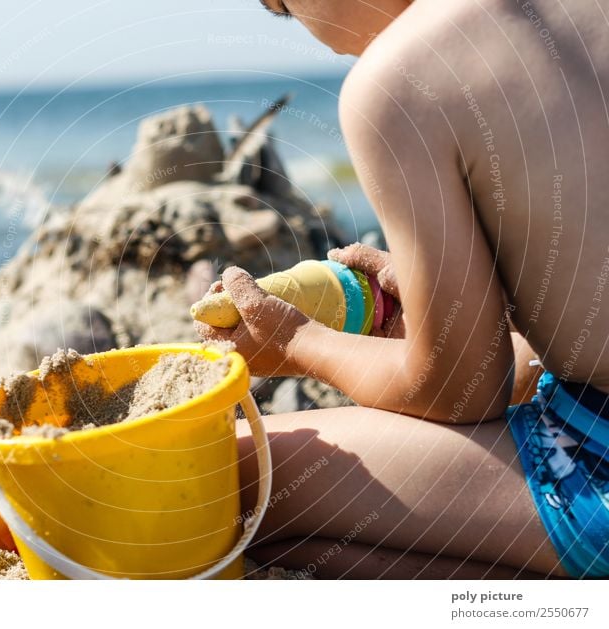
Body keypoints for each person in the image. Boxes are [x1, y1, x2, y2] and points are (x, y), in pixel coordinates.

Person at [195, 0, 609, 578]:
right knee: (328, 554)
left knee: (219, 476)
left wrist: (296, 344)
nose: (322, 41)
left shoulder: (401, 79)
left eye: (283, 10)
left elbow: (462, 394)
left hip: (600, 470)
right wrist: (479, 306)